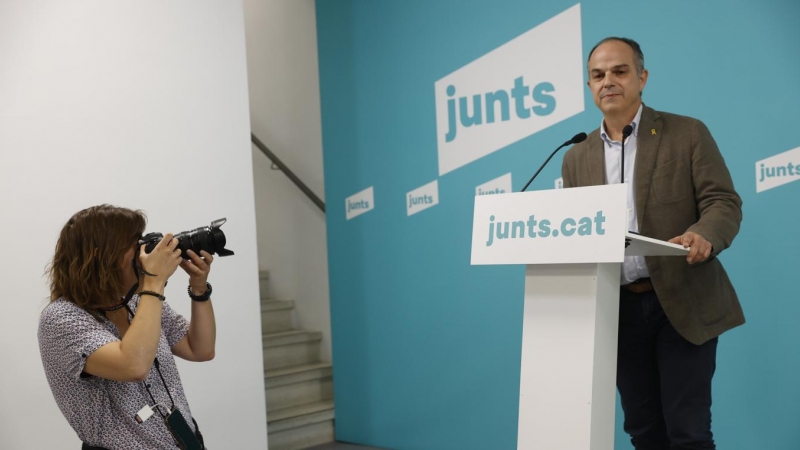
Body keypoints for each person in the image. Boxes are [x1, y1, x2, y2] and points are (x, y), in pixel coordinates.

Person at [561, 37, 744, 450]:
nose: (608, 81)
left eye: (619, 71)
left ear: (641, 78)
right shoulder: (576, 157)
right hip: (619, 310)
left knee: (688, 433)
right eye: (598, 74)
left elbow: (722, 202)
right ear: (590, 86)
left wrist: (705, 235)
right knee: (643, 433)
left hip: (681, 300)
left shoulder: (686, 133)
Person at [38, 205, 217, 449]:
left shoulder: (138, 302)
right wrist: (154, 282)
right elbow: (133, 365)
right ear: (102, 255)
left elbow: (201, 349)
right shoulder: (62, 319)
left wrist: (199, 289)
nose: (142, 252)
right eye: (134, 243)